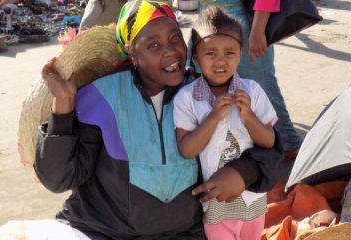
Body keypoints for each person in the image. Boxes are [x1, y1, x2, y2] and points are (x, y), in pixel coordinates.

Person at [34, 0, 284, 239]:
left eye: (175, 38)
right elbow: (59, 179)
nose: (171, 52)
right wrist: (64, 105)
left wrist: (243, 172)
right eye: (153, 45)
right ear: (132, 52)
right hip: (105, 231)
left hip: (184, 233)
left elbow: (271, 148)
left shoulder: (206, 91)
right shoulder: (102, 97)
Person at [173, 6, 278, 240]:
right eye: (210, 53)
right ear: (196, 57)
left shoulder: (253, 91)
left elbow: (269, 141)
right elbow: (187, 148)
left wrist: (249, 116)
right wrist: (213, 118)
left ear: (241, 53)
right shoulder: (187, 97)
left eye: (229, 52)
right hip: (215, 199)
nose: (220, 60)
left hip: (252, 195)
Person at [198, 0, 303, 160]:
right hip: (207, 24)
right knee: (208, 89)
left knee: (264, 89)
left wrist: (258, 30)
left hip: (243, 29)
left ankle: (288, 142)